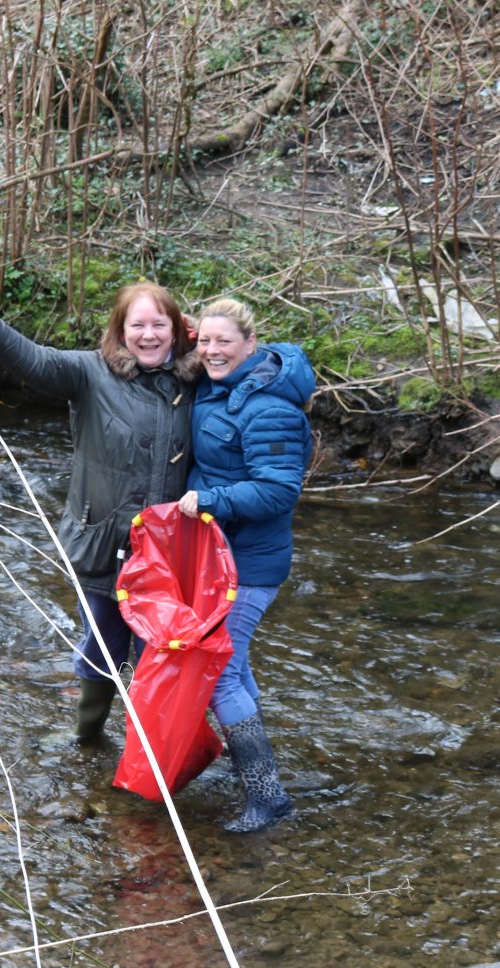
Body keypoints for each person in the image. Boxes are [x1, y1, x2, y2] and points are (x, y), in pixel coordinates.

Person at [0, 275, 202, 740]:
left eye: (159, 325)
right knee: (99, 647)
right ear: (119, 330)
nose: (148, 335)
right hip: (101, 542)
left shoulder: (199, 377)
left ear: (178, 328)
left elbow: (248, 361)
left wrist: (211, 336)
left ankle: (150, 754)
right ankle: (87, 737)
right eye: (137, 325)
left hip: (168, 555)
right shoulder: (89, 372)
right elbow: (31, 359)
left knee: (160, 655)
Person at [177, 297, 314, 833]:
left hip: (251, 564)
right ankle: (253, 775)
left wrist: (213, 501)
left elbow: (279, 490)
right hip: (220, 558)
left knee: (219, 674)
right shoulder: (222, 385)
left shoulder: (270, 407)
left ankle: (268, 796)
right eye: (205, 342)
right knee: (235, 666)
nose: (212, 351)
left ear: (251, 346)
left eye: (224, 342)